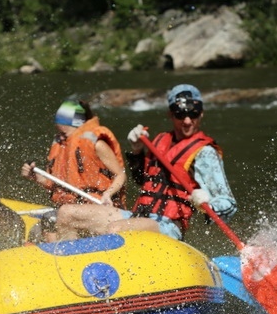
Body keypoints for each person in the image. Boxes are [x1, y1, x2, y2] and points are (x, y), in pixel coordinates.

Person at [48, 84, 237, 242]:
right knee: (66, 214)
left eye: (193, 114)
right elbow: (142, 180)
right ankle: (71, 268)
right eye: (180, 114)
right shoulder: (159, 141)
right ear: (170, 114)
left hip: (168, 226)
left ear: (201, 114)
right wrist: (137, 151)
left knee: (116, 230)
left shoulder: (205, 153)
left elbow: (228, 204)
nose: (187, 121)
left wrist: (205, 203)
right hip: (138, 216)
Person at [21, 99, 127, 241]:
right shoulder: (62, 145)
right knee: (36, 231)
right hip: (73, 209)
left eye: (64, 133)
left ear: (77, 126)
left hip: (100, 208)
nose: (60, 137)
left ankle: (63, 256)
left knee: (50, 219)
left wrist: (108, 194)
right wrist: (35, 177)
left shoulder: (97, 144)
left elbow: (120, 175)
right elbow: (56, 185)